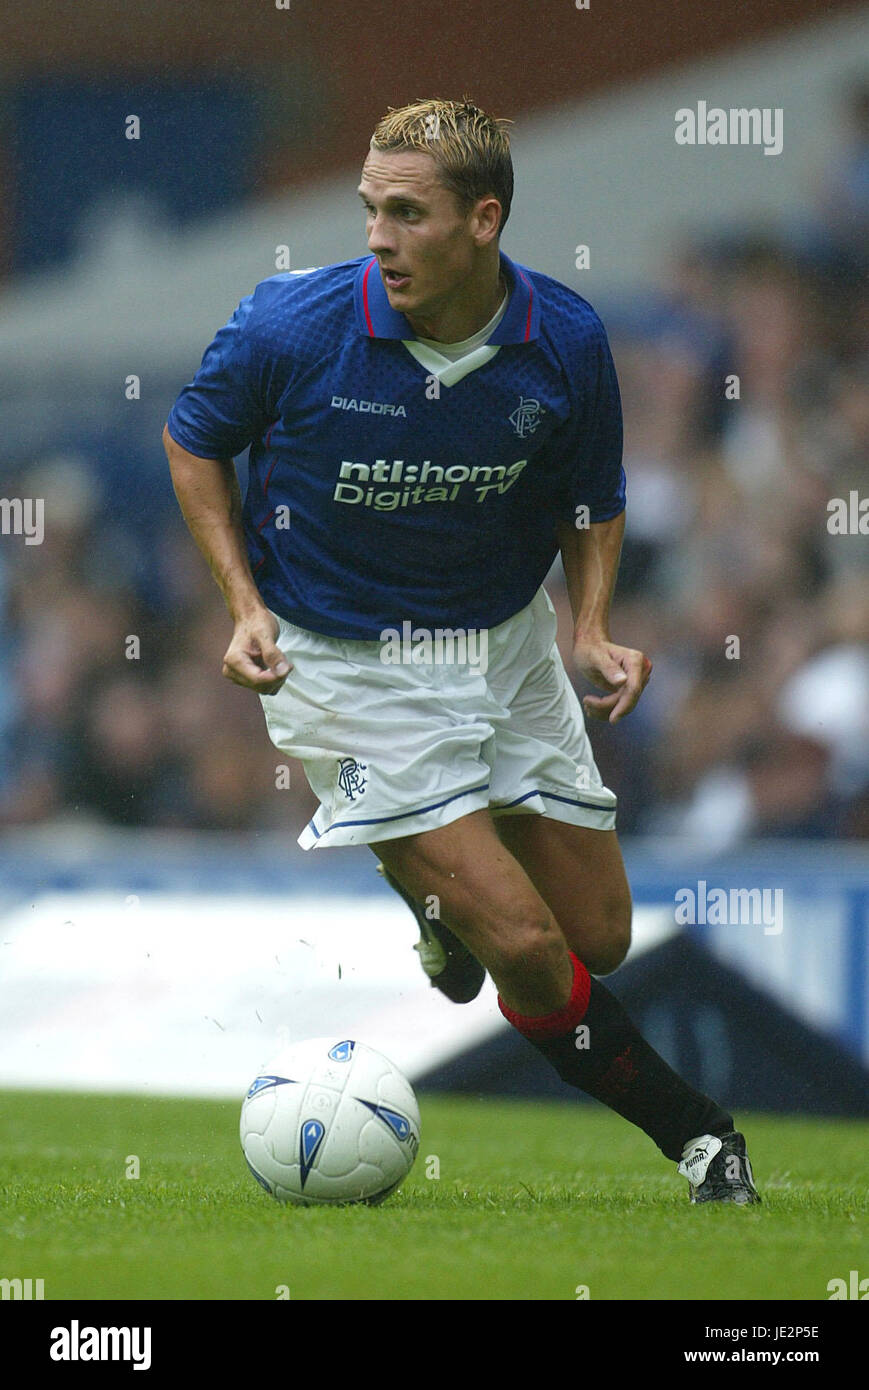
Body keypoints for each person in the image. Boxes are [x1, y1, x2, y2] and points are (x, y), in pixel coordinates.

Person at [163, 98, 759, 1205]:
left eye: (406, 213)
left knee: (600, 936)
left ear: (482, 220)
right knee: (531, 948)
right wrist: (240, 603)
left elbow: (592, 495)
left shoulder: (566, 339)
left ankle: (440, 909)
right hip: (345, 672)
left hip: (504, 645)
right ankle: (699, 1138)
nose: (378, 237)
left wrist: (586, 624)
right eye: (368, 211)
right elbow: (194, 443)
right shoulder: (290, 326)